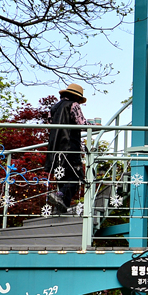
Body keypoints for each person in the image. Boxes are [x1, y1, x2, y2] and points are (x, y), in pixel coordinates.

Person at [46, 83, 89, 213]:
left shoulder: (54, 107)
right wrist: (94, 125)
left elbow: (49, 124)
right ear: (76, 97)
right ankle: (59, 196)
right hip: (70, 146)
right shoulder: (73, 105)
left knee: (63, 178)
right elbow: (81, 123)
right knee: (76, 178)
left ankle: (59, 208)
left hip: (55, 148)